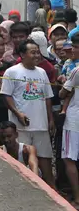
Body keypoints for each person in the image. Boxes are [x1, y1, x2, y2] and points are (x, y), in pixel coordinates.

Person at [1, 39, 56, 188]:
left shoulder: (42, 72)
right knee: (23, 158)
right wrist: (18, 114)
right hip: (21, 126)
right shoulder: (12, 71)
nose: (37, 55)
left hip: (41, 125)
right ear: (22, 54)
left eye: (38, 52)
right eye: (33, 52)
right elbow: (6, 95)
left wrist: (50, 119)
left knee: (45, 158)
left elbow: (47, 98)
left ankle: (52, 188)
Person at [61, 64, 79, 207]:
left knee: (69, 158)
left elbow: (62, 93)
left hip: (74, 120)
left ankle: (78, 198)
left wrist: (65, 84)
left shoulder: (76, 70)